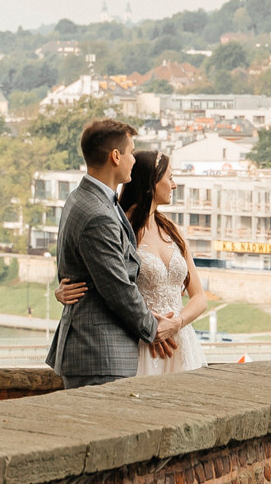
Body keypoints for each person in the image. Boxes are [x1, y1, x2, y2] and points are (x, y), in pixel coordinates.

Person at [45, 117, 182, 388]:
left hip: (97, 349)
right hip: (100, 353)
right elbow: (117, 288)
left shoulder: (83, 198)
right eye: (131, 152)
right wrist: (154, 329)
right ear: (116, 156)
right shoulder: (97, 213)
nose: (133, 159)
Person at [113, 149, 212, 373]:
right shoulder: (120, 229)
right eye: (169, 177)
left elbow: (200, 298)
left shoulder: (172, 229)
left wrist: (176, 323)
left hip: (181, 340)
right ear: (151, 183)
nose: (174, 185)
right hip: (143, 343)